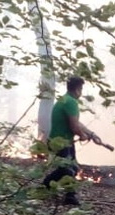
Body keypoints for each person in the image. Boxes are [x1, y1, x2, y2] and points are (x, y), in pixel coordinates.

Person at [42, 76, 105, 205]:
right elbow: (75, 126)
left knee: (71, 168)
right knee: (68, 169)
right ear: (77, 89)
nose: (81, 92)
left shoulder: (64, 99)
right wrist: (82, 135)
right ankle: (70, 197)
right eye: (81, 89)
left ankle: (46, 184)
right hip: (61, 143)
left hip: (62, 142)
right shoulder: (71, 102)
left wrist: (91, 134)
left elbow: (76, 122)